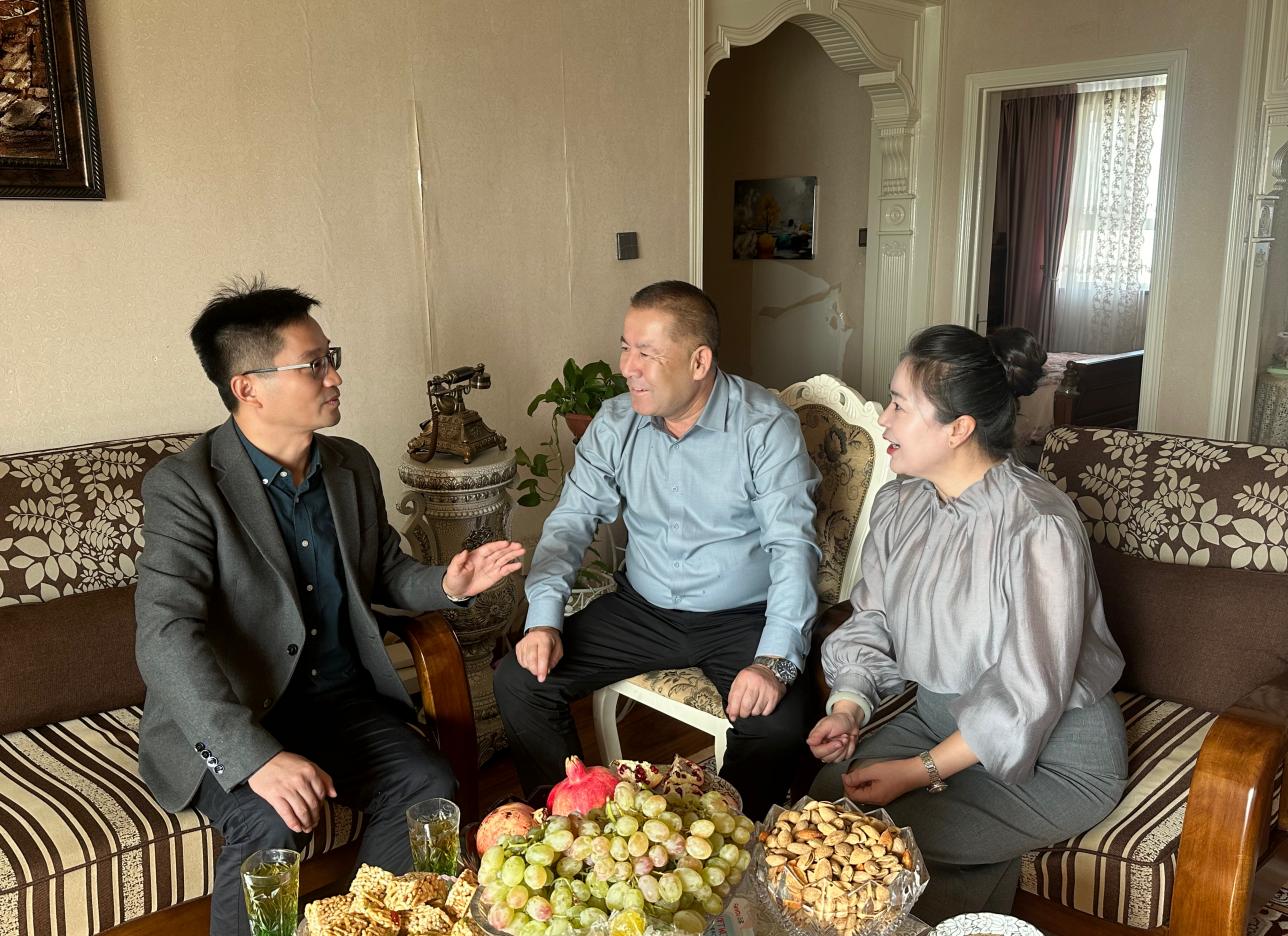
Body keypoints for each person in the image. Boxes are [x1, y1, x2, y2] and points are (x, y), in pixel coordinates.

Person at [134, 278, 524, 936]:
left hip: (338, 705)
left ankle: (365, 925)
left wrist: (449, 585)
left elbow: (387, 572)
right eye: (313, 364)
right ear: (249, 387)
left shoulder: (349, 465)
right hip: (244, 712)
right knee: (269, 818)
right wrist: (256, 758)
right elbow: (165, 634)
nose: (335, 376)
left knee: (426, 783)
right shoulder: (185, 487)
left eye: (330, 357)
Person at [806, 324, 1128, 924]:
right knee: (825, 805)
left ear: (958, 428)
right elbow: (870, 618)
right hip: (936, 718)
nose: (883, 420)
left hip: (1057, 751)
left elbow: (1028, 693)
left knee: (898, 844)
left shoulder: (1038, 526)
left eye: (899, 405)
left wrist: (916, 771)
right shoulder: (901, 503)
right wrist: (847, 707)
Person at [494, 280, 821, 818]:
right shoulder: (616, 421)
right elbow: (571, 523)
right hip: (641, 608)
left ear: (699, 362)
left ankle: (727, 842)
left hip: (743, 617)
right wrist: (543, 621)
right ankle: (568, 826)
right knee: (520, 680)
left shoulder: (764, 427)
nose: (628, 367)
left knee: (778, 725)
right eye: (625, 347)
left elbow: (793, 548)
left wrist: (772, 663)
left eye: (646, 353)